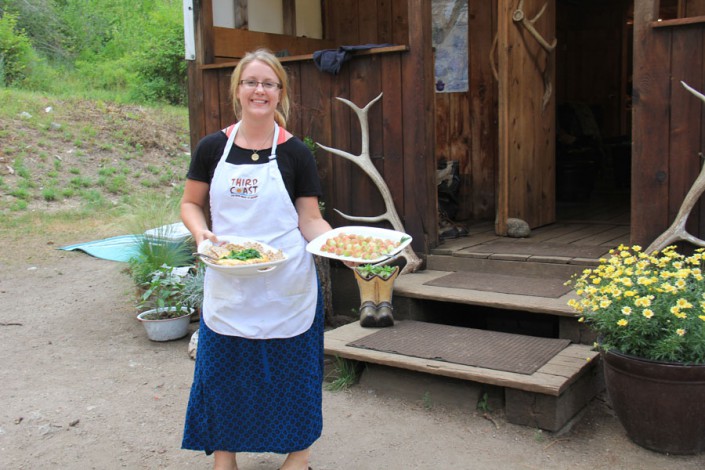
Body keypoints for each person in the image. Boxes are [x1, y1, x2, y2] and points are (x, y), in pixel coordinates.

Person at [180, 48, 332, 470]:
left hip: (287, 285)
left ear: (280, 93)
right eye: (251, 82)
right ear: (238, 90)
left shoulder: (295, 153)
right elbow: (190, 204)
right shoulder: (212, 148)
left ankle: (297, 458)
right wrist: (201, 232)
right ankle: (223, 458)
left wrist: (339, 247)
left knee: (294, 376)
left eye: (268, 83)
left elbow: (310, 219)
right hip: (229, 282)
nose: (259, 90)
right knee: (221, 372)